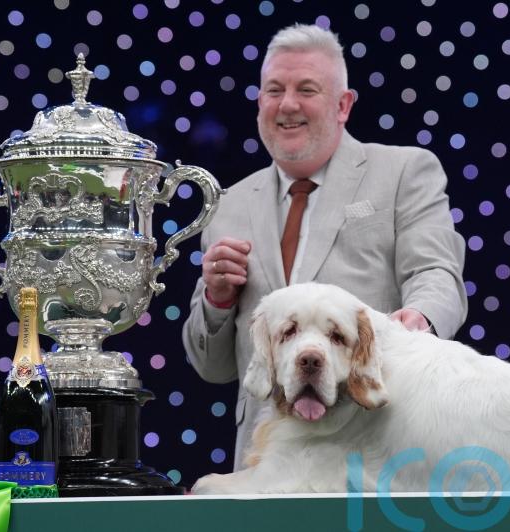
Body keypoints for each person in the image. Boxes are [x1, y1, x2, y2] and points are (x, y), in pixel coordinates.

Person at [182, 23, 467, 470]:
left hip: (373, 446)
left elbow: (436, 273)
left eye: (306, 89)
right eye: (274, 90)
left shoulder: (405, 171)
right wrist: (217, 300)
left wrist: (420, 320)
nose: (287, 104)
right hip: (264, 459)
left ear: (343, 105)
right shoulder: (228, 205)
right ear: (259, 103)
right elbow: (211, 368)